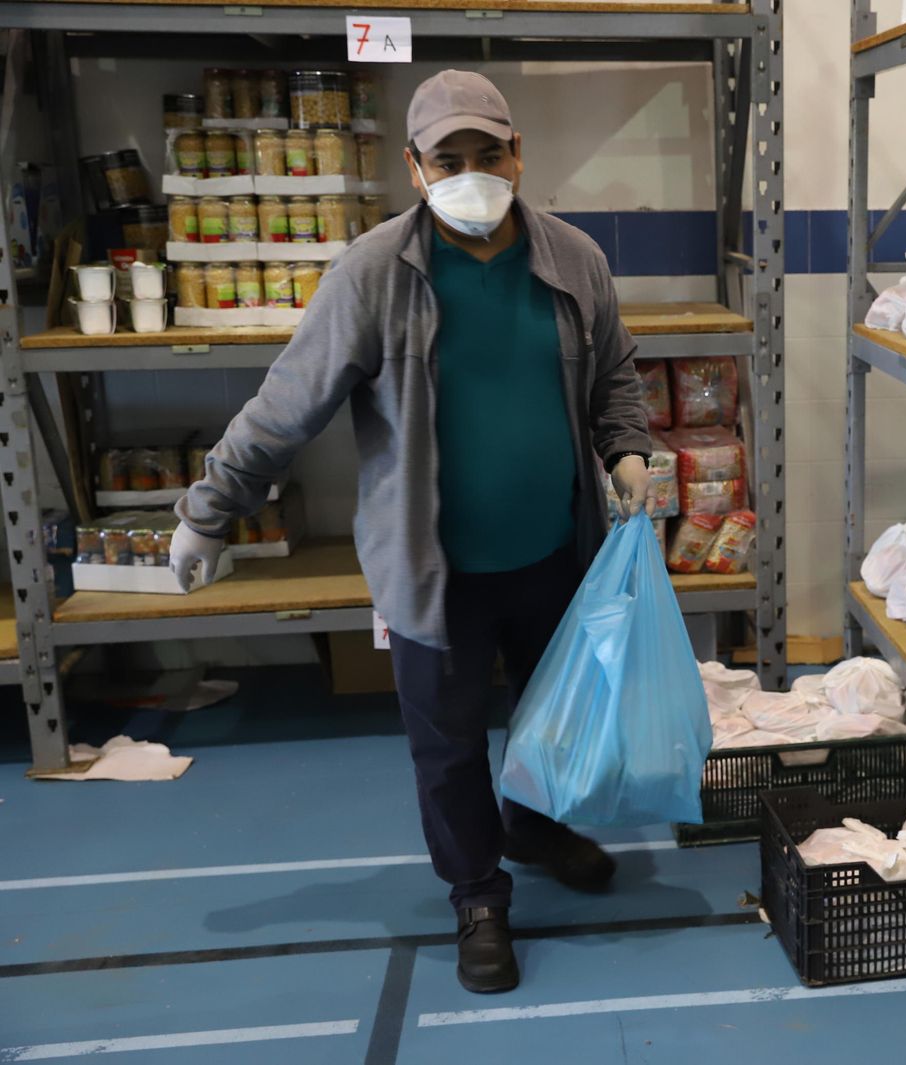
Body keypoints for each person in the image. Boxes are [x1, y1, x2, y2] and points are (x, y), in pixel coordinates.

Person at [171, 70, 654, 995]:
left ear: (520, 154)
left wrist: (626, 449)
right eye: (449, 159)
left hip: (556, 552)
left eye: (489, 155)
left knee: (551, 723)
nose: (473, 173)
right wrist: (207, 513)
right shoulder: (373, 274)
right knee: (447, 741)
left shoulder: (574, 259)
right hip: (435, 570)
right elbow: (284, 408)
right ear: (415, 167)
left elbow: (615, 376)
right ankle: (478, 894)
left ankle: (532, 823)